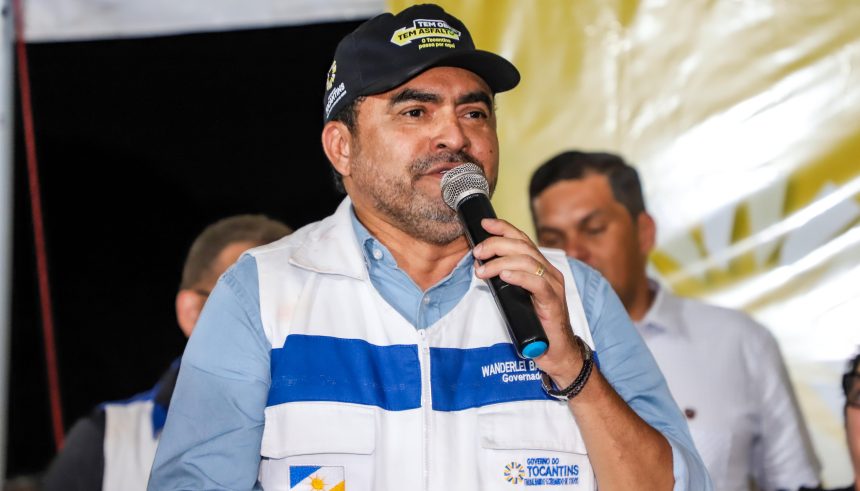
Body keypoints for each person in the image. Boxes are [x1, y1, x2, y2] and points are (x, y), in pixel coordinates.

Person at [149, 5, 710, 490]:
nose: (456, 137)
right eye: (415, 112)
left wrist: (571, 367)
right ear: (342, 148)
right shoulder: (262, 293)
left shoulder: (576, 295)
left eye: (474, 112)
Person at [529, 150, 822, 491]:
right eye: (553, 241)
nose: (573, 254)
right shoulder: (517, 348)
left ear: (644, 233)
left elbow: (795, 482)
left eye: (594, 230)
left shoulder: (738, 341)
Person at [42, 214, 292, 491]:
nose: (275, 323)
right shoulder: (108, 441)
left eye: (294, 307)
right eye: (249, 305)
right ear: (192, 313)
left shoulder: (322, 428)